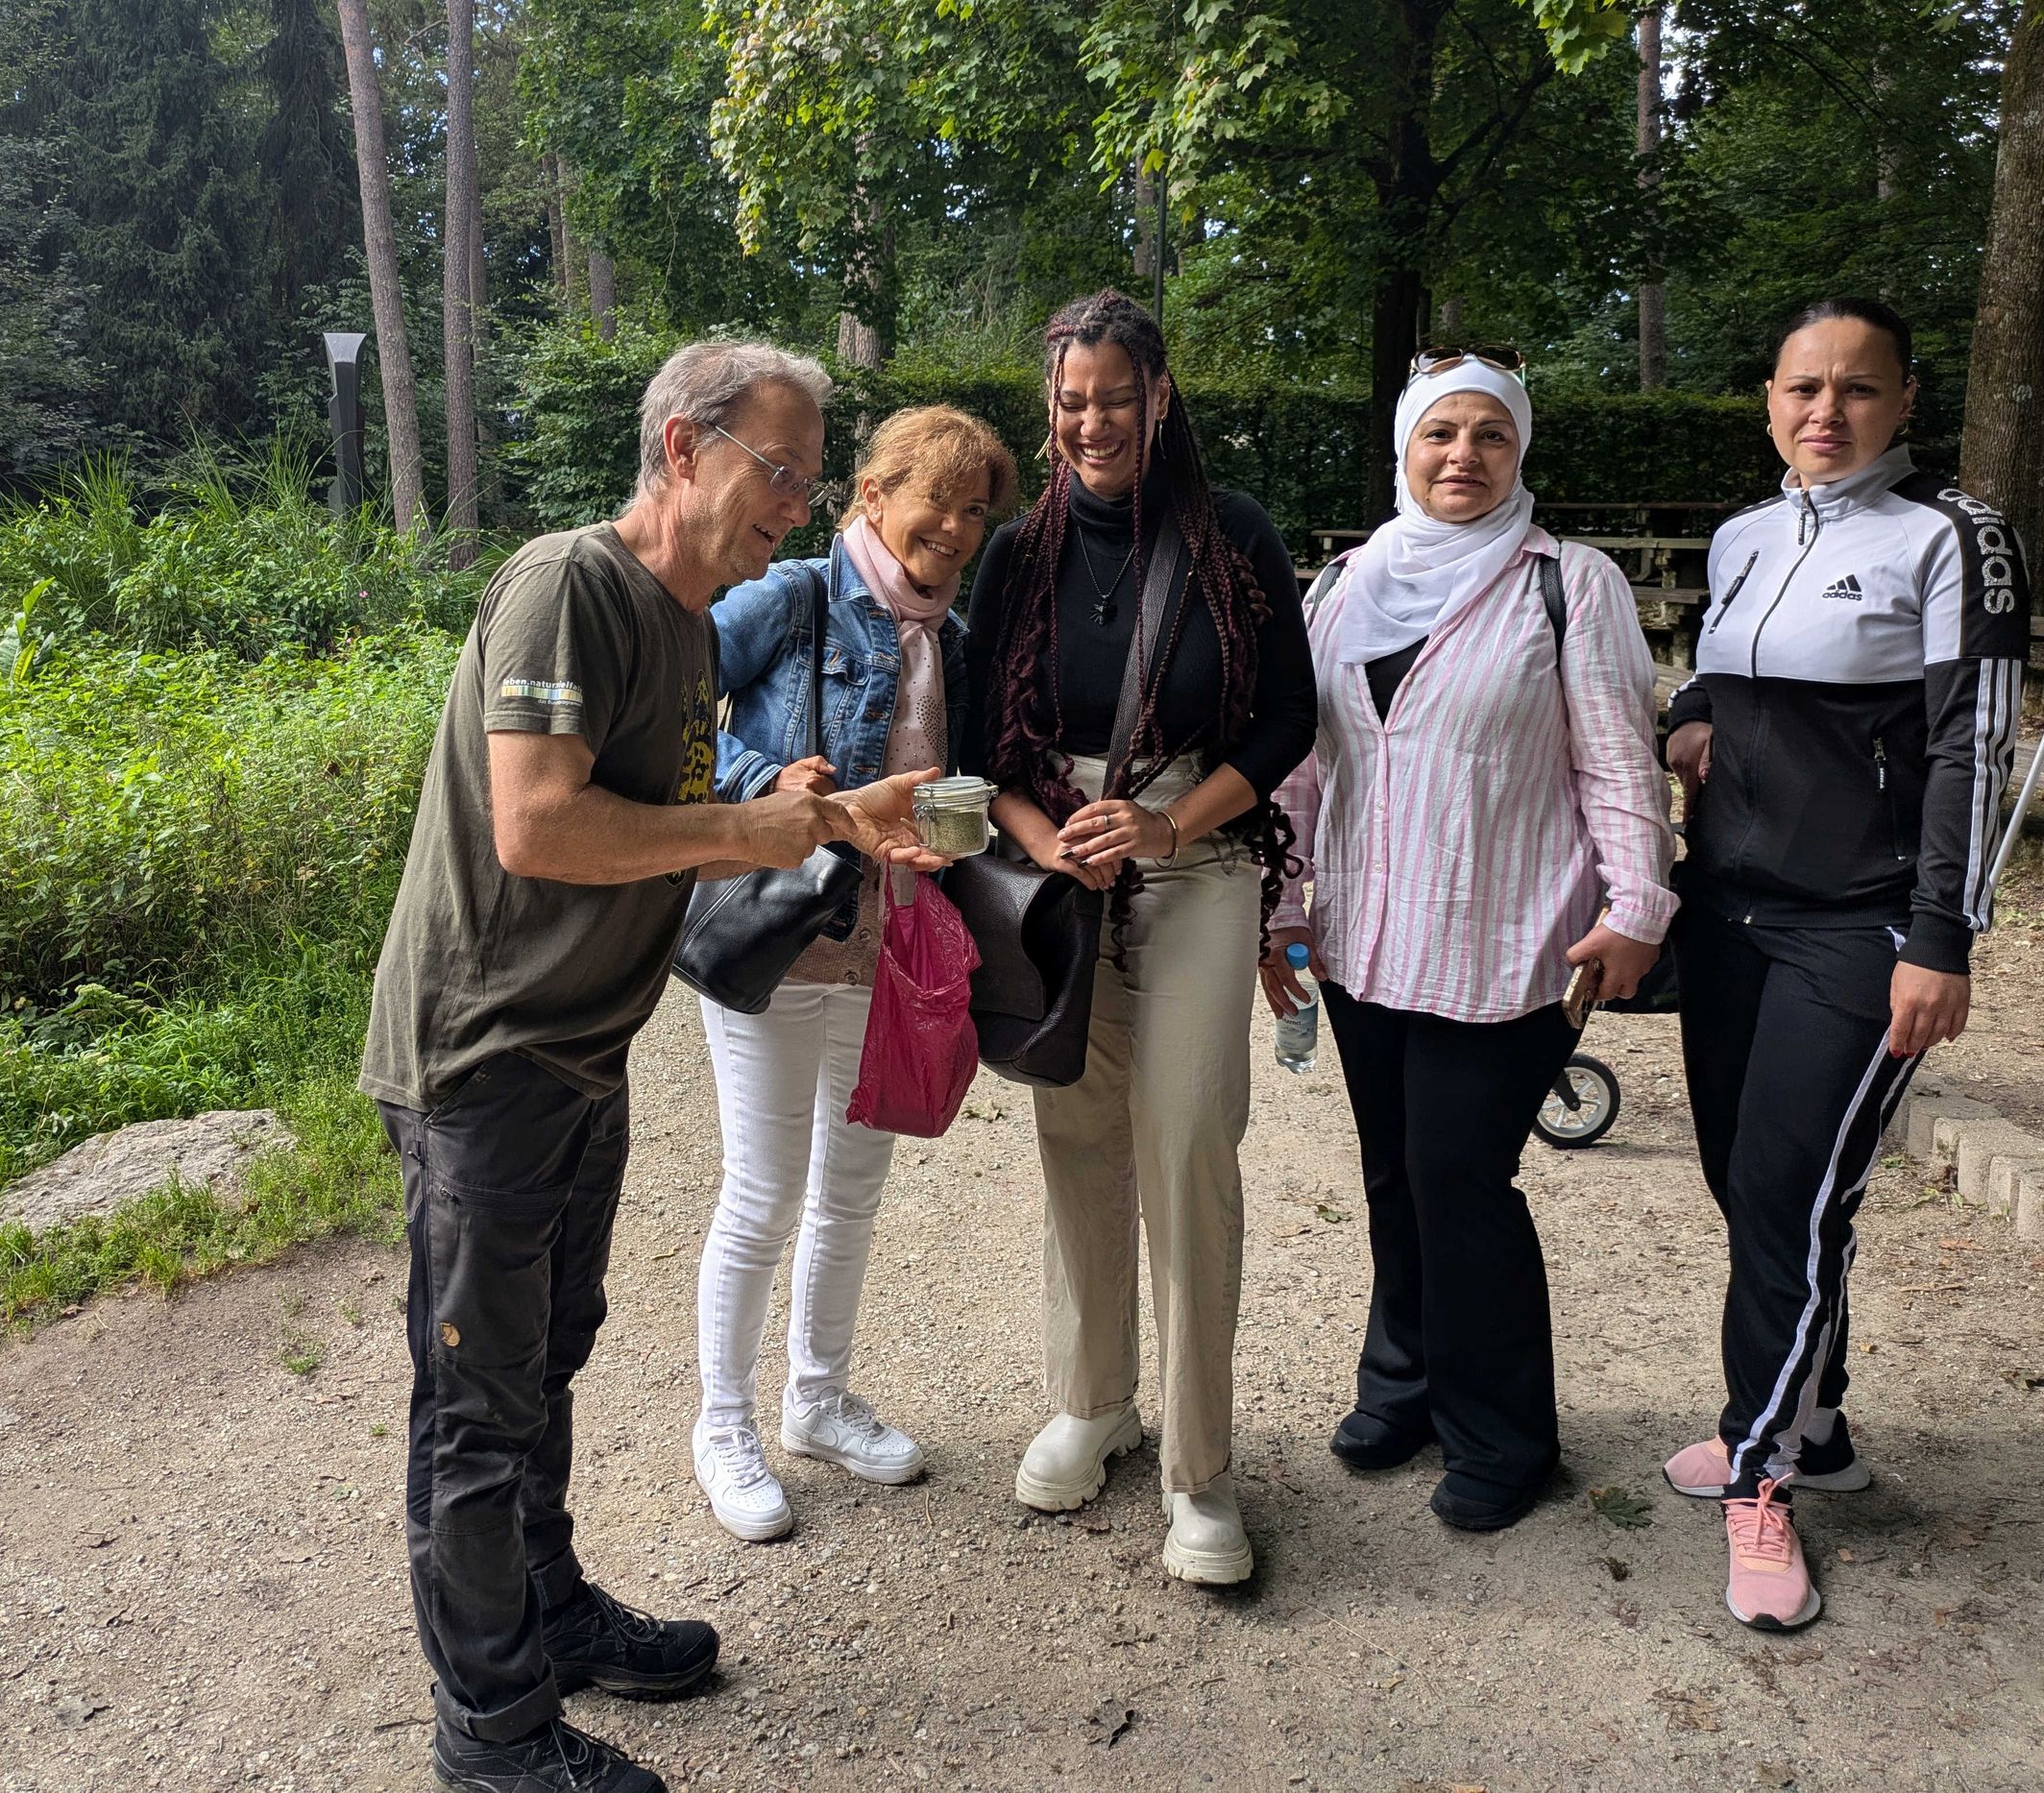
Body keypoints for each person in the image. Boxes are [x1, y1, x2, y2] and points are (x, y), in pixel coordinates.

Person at [358, 340, 948, 1793]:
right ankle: (491, 1734)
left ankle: (547, 1615)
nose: (800, 506)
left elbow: (673, 802)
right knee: (477, 1406)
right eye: (779, 468)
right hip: (485, 1057)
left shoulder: (689, 624)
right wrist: (752, 834)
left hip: (578, 1052)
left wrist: (804, 800)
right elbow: (540, 826)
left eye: (815, 480)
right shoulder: (571, 584)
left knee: (543, 1362)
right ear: (683, 448)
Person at [1262, 350, 1677, 1535]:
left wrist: (1638, 905)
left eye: (1490, 436)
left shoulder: (1569, 584)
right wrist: (1282, 905)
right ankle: (1406, 1386)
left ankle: (1505, 1431)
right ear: (1404, 448)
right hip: (1366, 936)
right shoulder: (1344, 584)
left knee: (1462, 1179)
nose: (1463, 456)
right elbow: (1303, 765)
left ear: (1521, 452)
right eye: (1440, 433)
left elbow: (1615, 757)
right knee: (1392, 1172)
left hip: (1511, 941)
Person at [1662, 297, 2029, 1632]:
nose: (1828, 412)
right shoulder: (1747, 532)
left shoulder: (1955, 536)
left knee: (1786, 1194)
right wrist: (1689, 717)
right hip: (1730, 914)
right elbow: (1715, 669)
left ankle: (1761, 1474)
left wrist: (1944, 934)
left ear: (1905, 400)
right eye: (1804, 388)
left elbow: (1971, 747)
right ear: (1770, 399)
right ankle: (1814, 1426)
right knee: (1754, 1185)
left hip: (1861, 926)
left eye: (1857, 389)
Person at [962, 288, 1318, 1585]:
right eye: (1072, 401)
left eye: (1116, 395)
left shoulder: (1231, 537)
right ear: (1049, 412)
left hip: (1195, 851)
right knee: (1076, 1131)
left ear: (1160, 397)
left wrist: (1168, 830)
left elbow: (1286, 719)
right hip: (1054, 859)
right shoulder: (1016, 553)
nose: (1094, 420)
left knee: (1185, 1148)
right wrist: (1038, 833)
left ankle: (1202, 1465)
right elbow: (974, 747)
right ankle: (1096, 1396)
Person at [691, 405, 1018, 1541]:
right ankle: (722, 1424)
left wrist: (944, 832)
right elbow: (674, 702)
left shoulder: (952, 636)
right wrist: (770, 779)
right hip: (782, 935)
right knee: (764, 1191)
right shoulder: (796, 595)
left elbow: (927, 782)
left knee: (851, 1191)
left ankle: (816, 1401)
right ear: (873, 494)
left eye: (978, 510)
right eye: (940, 498)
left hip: (888, 945)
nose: (959, 526)